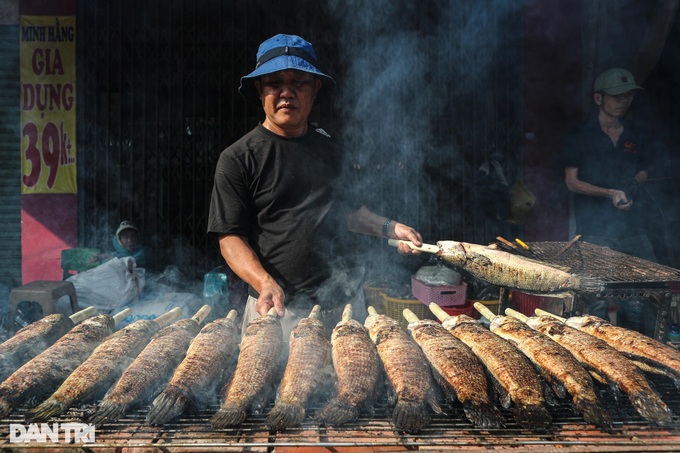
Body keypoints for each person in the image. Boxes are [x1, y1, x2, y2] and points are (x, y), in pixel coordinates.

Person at [207, 34, 424, 340]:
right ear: (259, 89)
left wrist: (389, 227)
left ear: (315, 88)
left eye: (299, 82)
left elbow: (348, 212)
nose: (287, 93)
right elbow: (229, 238)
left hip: (342, 310)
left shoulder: (331, 149)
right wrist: (263, 282)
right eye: (274, 83)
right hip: (276, 311)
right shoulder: (238, 158)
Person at [560, 68, 657, 321]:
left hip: (634, 227)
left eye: (629, 96)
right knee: (597, 297)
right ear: (598, 98)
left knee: (645, 291)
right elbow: (572, 182)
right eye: (618, 96)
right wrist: (610, 193)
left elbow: (645, 169)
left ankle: (639, 348)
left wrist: (630, 190)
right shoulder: (579, 135)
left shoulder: (636, 132)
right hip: (595, 229)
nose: (624, 101)